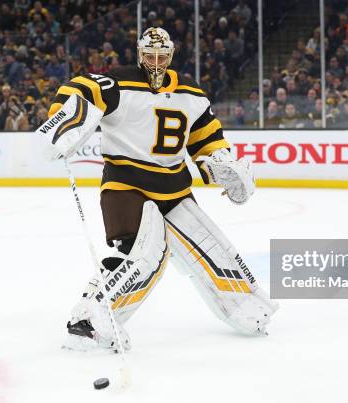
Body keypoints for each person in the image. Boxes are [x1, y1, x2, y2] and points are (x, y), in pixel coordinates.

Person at [40, 27, 278, 352]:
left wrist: (220, 163)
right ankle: (90, 320)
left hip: (175, 188)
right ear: (139, 54)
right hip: (126, 184)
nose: (155, 61)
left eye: (161, 55)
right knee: (142, 256)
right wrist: (65, 118)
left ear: (171, 55)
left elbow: (206, 138)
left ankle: (246, 306)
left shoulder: (192, 93)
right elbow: (80, 87)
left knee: (212, 249)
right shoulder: (119, 83)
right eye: (149, 55)